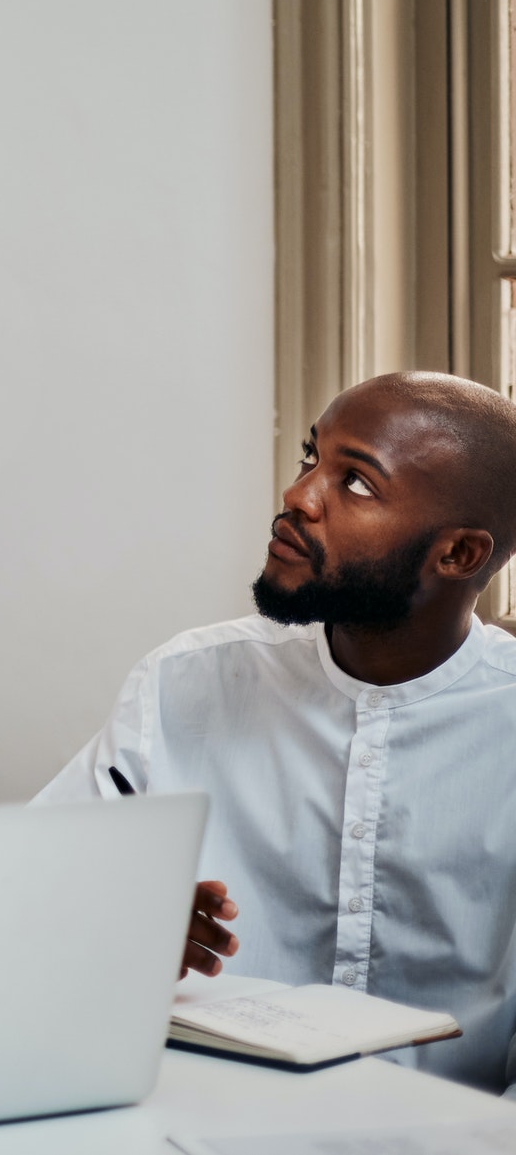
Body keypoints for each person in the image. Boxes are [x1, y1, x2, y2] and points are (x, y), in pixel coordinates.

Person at [38, 371, 516, 1093]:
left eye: (355, 482)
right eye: (309, 457)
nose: (298, 495)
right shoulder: (184, 683)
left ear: (457, 555)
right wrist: (114, 933)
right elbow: (19, 913)